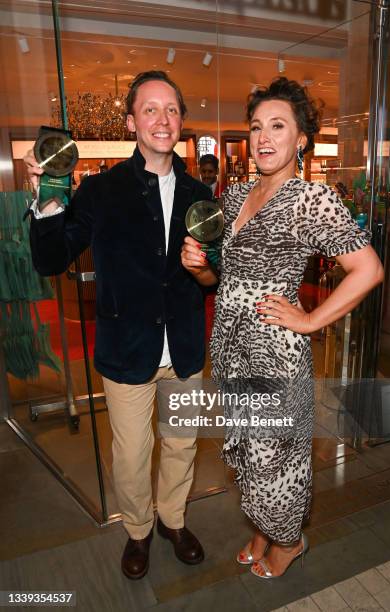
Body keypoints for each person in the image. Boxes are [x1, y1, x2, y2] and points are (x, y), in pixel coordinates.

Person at [181, 77, 384, 579]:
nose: (264, 137)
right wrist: (198, 267)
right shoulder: (238, 193)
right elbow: (219, 276)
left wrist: (311, 318)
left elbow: (369, 270)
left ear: (301, 139)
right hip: (229, 347)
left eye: (278, 126)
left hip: (274, 354)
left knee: (277, 459)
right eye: (256, 127)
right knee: (247, 456)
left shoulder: (310, 199)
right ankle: (263, 528)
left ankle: (288, 541)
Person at [24, 71, 213, 580]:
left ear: (181, 121)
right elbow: (50, 259)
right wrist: (46, 198)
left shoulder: (200, 191)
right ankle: (138, 530)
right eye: (149, 109)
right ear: (131, 122)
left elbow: (209, 274)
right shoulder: (102, 191)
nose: (162, 119)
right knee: (132, 456)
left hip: (187, 347)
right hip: (127, 348)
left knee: (182, 443)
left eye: (171, 109)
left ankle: (173, 520)